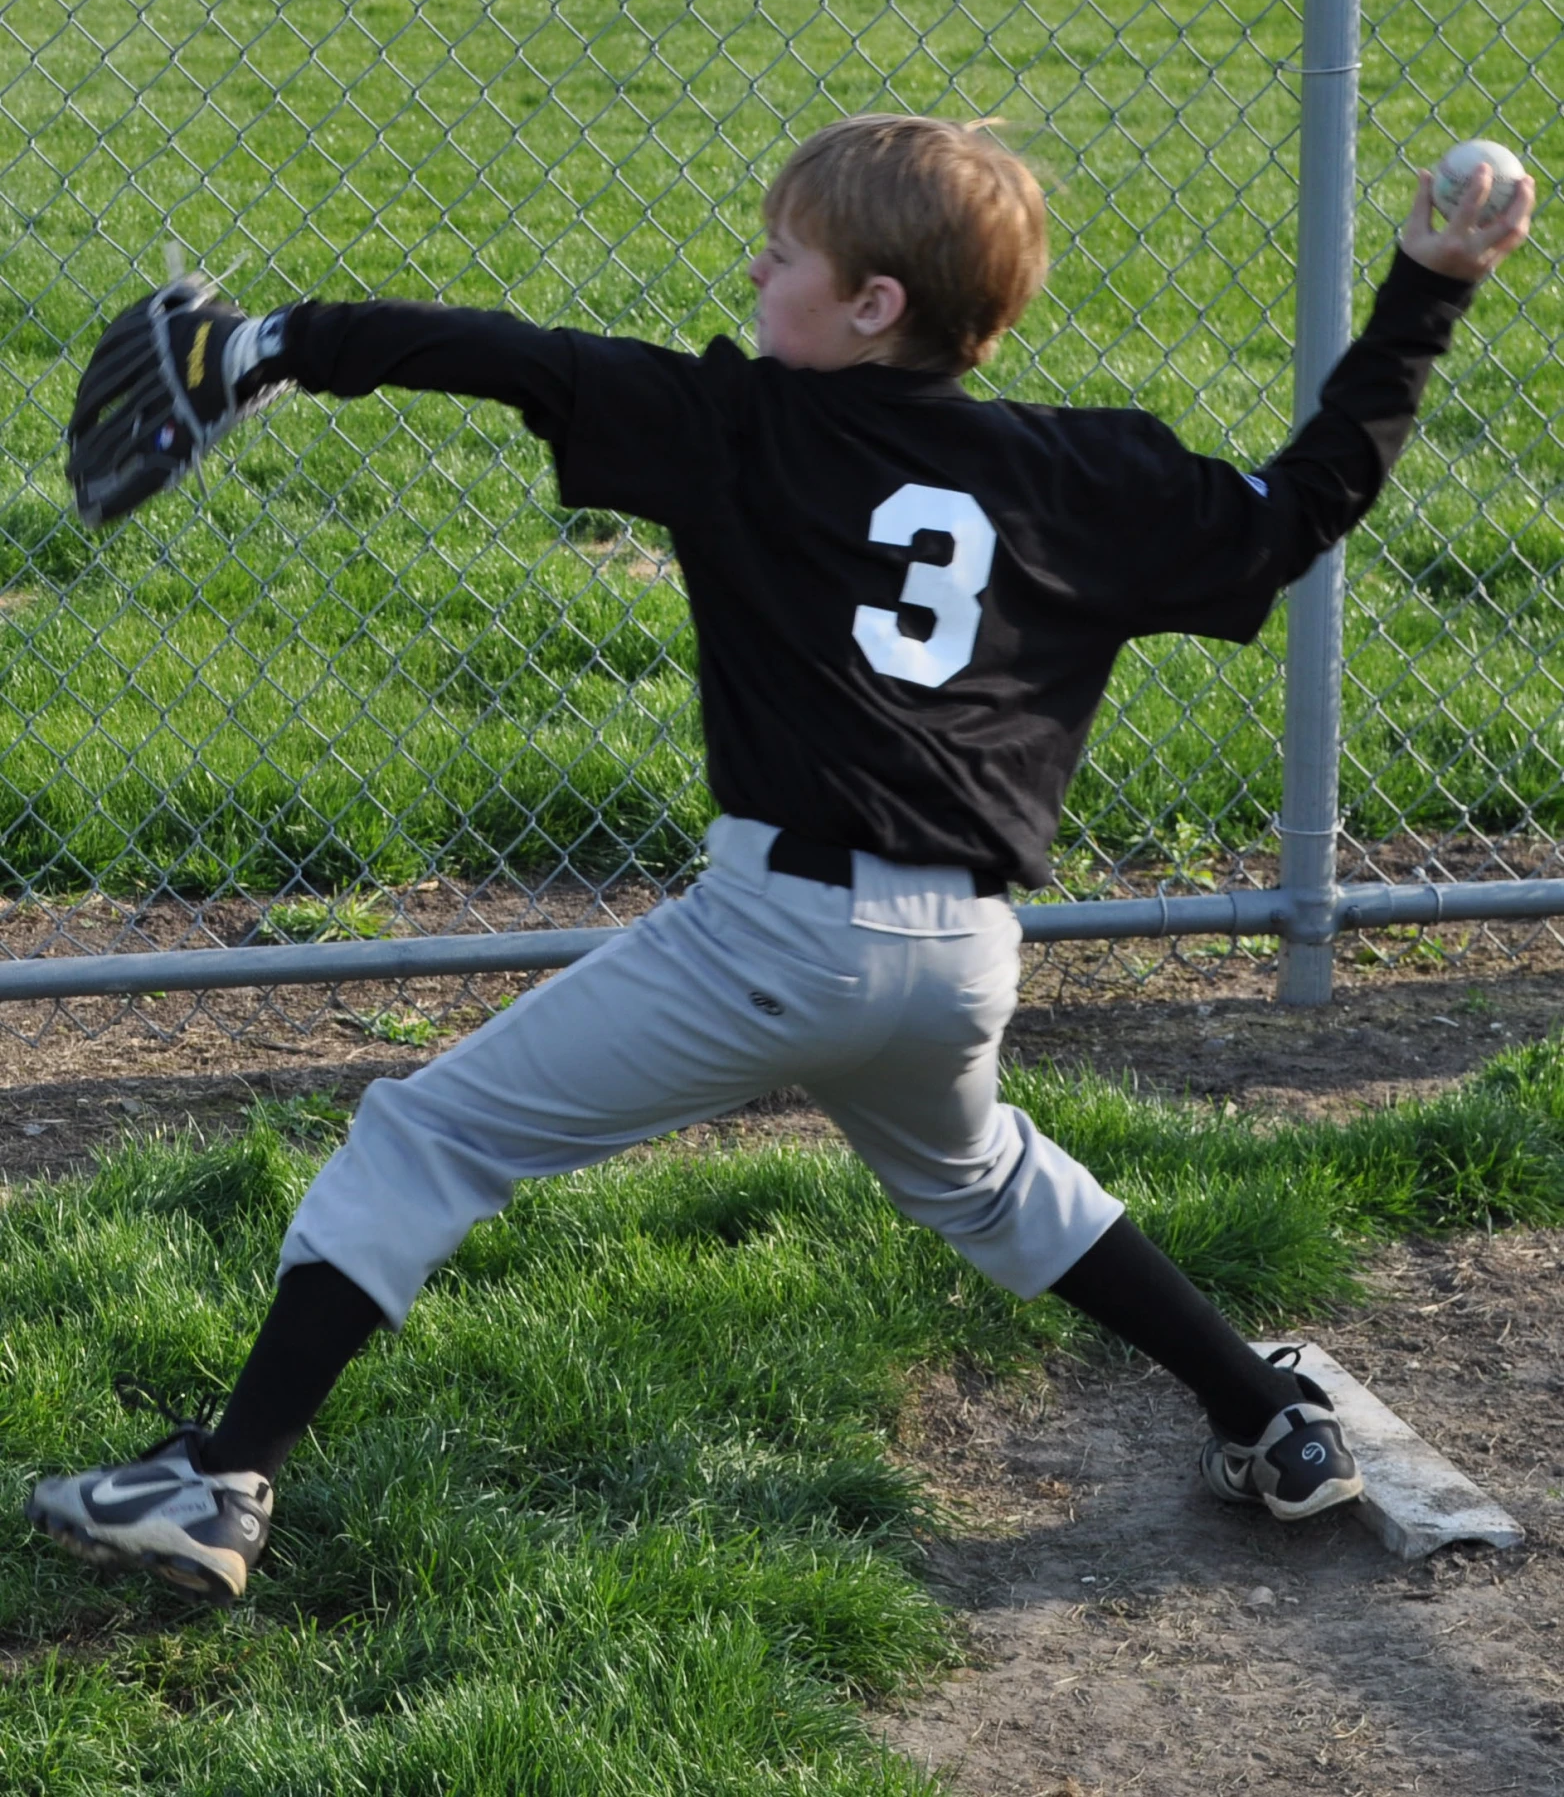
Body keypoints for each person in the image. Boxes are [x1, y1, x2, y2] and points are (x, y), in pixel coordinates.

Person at [28, 115, 1532, 1601]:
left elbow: (510, 353)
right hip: (960, 960)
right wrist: (1429, 282)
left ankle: (216, 1478)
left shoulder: (740, 425)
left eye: (786, 252)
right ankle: (1268, 1415)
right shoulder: (1086, 475)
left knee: (426, 1139)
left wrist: (273, 342)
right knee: (989, 1176)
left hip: (775, 937)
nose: (755, 266)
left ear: (874, 307)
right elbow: (1303, 502)